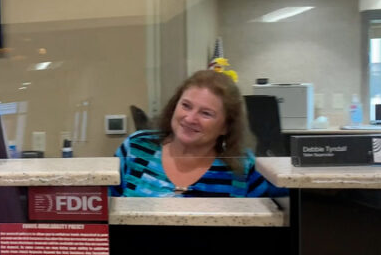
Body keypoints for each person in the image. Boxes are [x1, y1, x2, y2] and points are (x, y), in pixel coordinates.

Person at [110, 70, 287, 198]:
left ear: (225, 127)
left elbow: (280, 216)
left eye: (206, 113)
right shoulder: (136, 148)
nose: (190, 118)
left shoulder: (243, 168)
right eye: (186, 105)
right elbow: (102, 213)